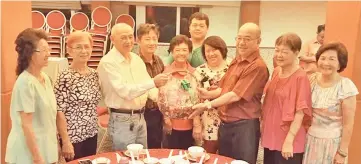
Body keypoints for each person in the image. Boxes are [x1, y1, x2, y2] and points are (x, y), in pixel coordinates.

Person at [189, 23, 269, 164]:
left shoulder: (257, 66)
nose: (242, 42)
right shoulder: (236, 61)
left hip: (244, 126)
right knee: (225, 161)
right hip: (226, 123)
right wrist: (207, 94)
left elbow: (235, 95)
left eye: (247, 39)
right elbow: (224, 89)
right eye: (239, 38)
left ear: (258, 41)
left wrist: (207, 105)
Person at [5, 28, 74, 164]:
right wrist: (37, 157)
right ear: (29, 54)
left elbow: (50, 117)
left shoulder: (45, 78)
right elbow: (27, 125)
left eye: (48, 49)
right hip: (28, 154)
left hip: (46, 148)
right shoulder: (25, 83)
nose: (48, 54)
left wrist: (58, 145)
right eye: (43, 50)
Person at [97, 23, 168, 151]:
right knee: (125, 158)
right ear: (112, 39)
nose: (128, 41)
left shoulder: (135, 59)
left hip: (141, 117)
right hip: (121, 119)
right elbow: (125, 92)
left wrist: (168, 102)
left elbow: (150, 90)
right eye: (123, 38)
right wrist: (153, 82)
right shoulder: (108, 62)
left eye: (130, 37)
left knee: (142, 156)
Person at [303, 42, 359, 164]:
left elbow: (348, 125)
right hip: (310, 141)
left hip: (333, 144)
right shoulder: (311, 79)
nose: (326, 63)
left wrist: (342, 153)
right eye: (322, 58)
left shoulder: (346, 86)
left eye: (332, 59)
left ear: (340, 63)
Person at [261, 33, 312, 164]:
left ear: (296, 53)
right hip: (272, 134)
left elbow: (301, 112)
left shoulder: (300, 77)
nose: (279, 55)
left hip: (289, 138)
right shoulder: (277, 71)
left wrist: (289, 140)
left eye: (284, 52)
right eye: (277, 50)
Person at [54, 31, 102, 160]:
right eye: (78, 47)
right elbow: (59, 111)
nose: (84, 51)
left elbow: (93, 105)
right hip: (73, 136)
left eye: (87, 47)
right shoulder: (65, 77)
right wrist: (66, 141)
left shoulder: (94, 74)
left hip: (91, 133)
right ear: (69, 51)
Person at [162, 34, 202, 149]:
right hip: (170, 124)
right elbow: (162, 98)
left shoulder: (195, 73)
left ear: (189, 52)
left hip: (191, 124)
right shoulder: (166, 73)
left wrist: (196, 122)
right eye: (177, 50)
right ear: (172, 52)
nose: (181, 53)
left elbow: (199, 99)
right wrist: (166, 118)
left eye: (184, 50)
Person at [193, 36, 229, 153]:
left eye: (214, 50)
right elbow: (194, 99)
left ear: (222, 50)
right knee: (208, 155)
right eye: (207, 51)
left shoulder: (232, 68)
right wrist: (197, 123)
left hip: (229, 122)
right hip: (207, 122)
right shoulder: (199, 71)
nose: (211, 54)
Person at [136, 23, 165, 148]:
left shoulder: (159, 60)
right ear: (138, 41)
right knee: (140, 149)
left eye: (154, 39)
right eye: (147, 39)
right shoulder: (134, 62)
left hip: (157, 112)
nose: (152, 42)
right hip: (141, 113)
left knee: (156, 147)